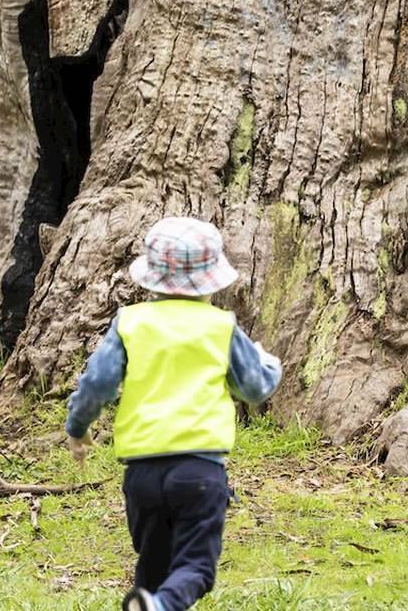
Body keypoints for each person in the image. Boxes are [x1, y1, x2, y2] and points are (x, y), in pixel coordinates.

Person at [65, 216, 283, 611]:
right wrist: (268, 360)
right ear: (213, 281)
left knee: (153, 567)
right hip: (200, 472)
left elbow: (97, 382)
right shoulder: (220, 327)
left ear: (149, 279)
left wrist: (77, 426)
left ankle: (149, 603)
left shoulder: (130, 323)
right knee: (196, 567)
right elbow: (255, 386)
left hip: (142, 475)